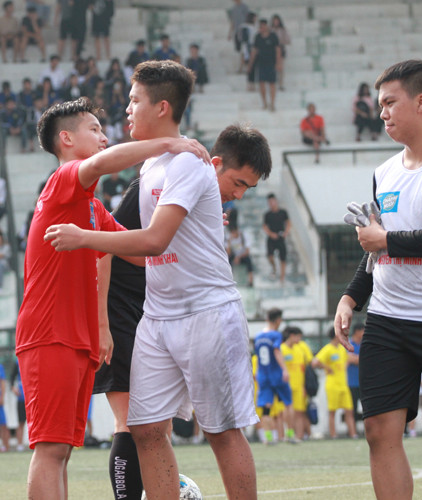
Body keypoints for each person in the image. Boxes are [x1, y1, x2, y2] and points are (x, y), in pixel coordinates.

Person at [44, 61, 263, 500]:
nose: (127, 109)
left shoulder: (189, 163)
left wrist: (83, 237)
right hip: (157, 316)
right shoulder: (150, 166)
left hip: (205, 312)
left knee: (221, 431)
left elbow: (155, 241)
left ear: (162, 107)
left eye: (135, 100)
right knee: (143, 428)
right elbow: (142, 239)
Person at [15, 95, 210, 500]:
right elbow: (102, 164)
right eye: (95, 129)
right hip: (49, 334)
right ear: (66, 139)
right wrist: (168, 143)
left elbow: (141, 251)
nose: (104, 137)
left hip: (75, 339)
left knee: (61, 451)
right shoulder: (63, 180)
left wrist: (195, 222)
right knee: (50, 450)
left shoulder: (92, 208)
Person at [94, 122, 272, 499]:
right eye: (238, 183)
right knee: (133, 423)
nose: (239, 195)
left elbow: (162, 245)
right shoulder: (157, 179)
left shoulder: (190, 189)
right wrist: (102, 323)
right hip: (124, 309)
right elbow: (106, 247)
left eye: (248, 188)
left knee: (163, 428)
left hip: (160, 310)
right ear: (215, 164)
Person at [334, 59, 422, 499]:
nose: (382, 113)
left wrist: (384, 239)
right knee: (379, 430)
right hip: (387, 321)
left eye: (390, 103)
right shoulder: (385, 172)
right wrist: (351, 297)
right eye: (381, 105)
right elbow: (377, 249)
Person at [253, 308, 297, 445]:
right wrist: (285, 370)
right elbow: (277, 351)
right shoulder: (276, 335)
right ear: (278, 320)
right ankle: (290, 435)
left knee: (266, 407)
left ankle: (268, 437)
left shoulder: (258, 336)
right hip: (276, 374)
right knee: (288, 404)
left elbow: (258, 356)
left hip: (263, 375)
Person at [312, 328, 358, 439]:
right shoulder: (328, 349)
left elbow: (348, 359)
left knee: (349, 410)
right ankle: (333, 435)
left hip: (343, 385)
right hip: (332, 385)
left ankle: (353, 434)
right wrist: (326, 367)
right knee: (332, 411)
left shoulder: (342, 349)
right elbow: (315, 362)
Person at [247, 19, 281, 112]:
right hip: (261, 63)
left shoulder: (273, 36)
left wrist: (278, 63)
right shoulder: (258, 37)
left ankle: (272, 103)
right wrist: (250, 64)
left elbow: (278, 50)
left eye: (262, 26)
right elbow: (254, 51)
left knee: (272, 83)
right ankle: (264, 103)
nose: (261, 28)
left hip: (271, 63)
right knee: (261, 83)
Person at [263, 192, 290, 284]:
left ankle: (282, 278)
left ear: (276, 201)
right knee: (270, 256)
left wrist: (286, 232)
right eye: (269, 202)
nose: (271, 204)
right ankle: (274, 267)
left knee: (283, 258)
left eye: (272, 201)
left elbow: (288, 222)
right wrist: (271, 234)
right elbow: (265, 226)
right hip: (271, 238)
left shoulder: (283, 212)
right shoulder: (267, 215)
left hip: (280, 237)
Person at [225, 222, 254, 287]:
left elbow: (247, 251)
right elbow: (228, 253)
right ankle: (229, 280)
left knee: (249, 261)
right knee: (228, 261)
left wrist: (238, 257)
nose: (234, 234)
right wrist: (229, 242)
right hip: (234, 256)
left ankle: (251, 281)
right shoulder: (229, 238)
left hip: (243, 255)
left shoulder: (244, 236)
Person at [227, 0, 250, 73]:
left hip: (244, 31)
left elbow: (248, 19)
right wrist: (230, 33)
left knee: (245, 50)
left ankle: (244, 67)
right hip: (237, 32)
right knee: (239, 50)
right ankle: (240, 67)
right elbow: (233, 22)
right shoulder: (233, 9)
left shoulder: (245, 7)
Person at [348, 322, 364, 421]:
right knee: (352, 410)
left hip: (364, 384)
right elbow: (348, 358)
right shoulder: (349, 344)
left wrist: (357, 358)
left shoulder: (365, 344)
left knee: (367, 410)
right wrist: (364, 359)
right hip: (351, 383)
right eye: (363, 331)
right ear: (357, 332)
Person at [10, 359, 27, 451]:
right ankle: (20, 444)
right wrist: (13, 387)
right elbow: (12, 377)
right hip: (21, 397)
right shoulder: (18, 362)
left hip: (34, 397)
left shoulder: (36, 359)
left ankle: (38, 444)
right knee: (21, 422)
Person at [270, 14, 290, 91]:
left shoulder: (283, 30)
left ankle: (281, 84)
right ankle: (273, 84)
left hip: (281, 49)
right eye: (274, 21)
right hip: (271, 50)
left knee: (281, 68)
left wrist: (281, 42)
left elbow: (288, 40)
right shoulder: (270, 30)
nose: (276, 22)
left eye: (277, 21)